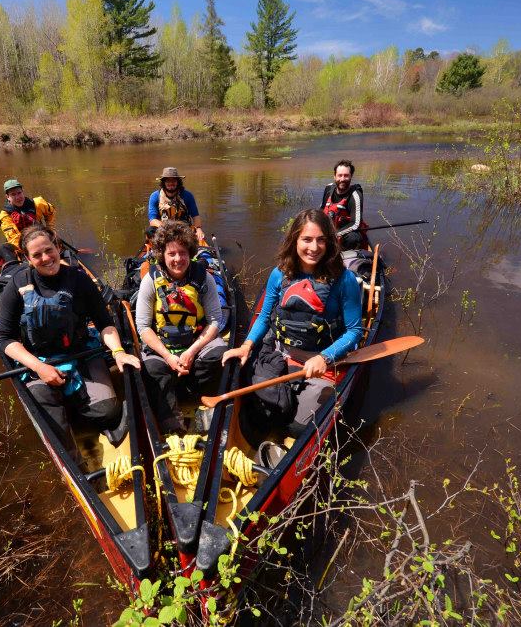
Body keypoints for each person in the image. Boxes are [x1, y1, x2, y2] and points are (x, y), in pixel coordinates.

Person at [222, 209, 363, 454]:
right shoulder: (279, 274)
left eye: (321, 240)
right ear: (295, 240)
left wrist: (325, 357)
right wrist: (246, 345)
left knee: (299, 427)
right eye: (307, 240)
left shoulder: (344, 280)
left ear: (330, 242)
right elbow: (265, 317)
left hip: (321, 363)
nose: (314, 247)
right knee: (263, 411)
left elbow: (354, 331)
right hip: (280, 354)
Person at [0, 224, 139, 457]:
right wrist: (40, 367)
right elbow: (4, 338)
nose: (45, 258)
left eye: (49, 250)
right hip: (39, 361)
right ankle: (74, 460)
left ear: (58, 248)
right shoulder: (17, 284)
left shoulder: (79, 280)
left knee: (107, 413)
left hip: (81, 352)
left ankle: (73, 402)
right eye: (37, 255)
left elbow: (104, 323)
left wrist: (118, 351)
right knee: (48, 413)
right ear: (28, 259)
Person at [135, 221, 227, 433]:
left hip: (196, 342)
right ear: (162, 255)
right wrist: (168, 356)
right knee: (151, 368)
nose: (178, 259)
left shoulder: (205, 278)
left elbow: (215, 320)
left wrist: (192, 352)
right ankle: (172, 422)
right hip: (164, 345)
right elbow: (142, 326)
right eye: (172, 254)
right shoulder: (150, 281)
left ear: (191, 253)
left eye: (183, 253)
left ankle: (194, 395)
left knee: (219, 354)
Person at [0, 178, 57, 260]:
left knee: (56, 241)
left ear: (23, 192)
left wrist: (50, 229)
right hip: (22, 244)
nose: (18, 197)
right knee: (3, 248)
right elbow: (14, 239)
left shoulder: (38, 203)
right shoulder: (5, 216)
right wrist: (29, 251)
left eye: (19, 193)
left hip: (40, 235)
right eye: (13, 194)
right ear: (7, 197)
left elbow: (51, 212)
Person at [148, 167, 205, 242]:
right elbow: (152, 220)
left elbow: (195, 215)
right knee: (150, 231)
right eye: (168, 180)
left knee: (194, 236)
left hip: (183, 228)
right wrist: (168, 228)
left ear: (178, 182)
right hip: (164, 228)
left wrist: (198, 229)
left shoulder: (187, 195)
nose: (171, 183)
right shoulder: (155, 196)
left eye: (174, 180)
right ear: (163, 182)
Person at [320, 160, 368, 249]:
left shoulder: (355, 195)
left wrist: (335, 234)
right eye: (339, 175)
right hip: (330, 229)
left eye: (346, 176)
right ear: (334, 176)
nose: (342, 179)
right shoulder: (328, 189)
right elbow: (321, 210)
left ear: (351, 176)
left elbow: (356, 223)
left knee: (353, 238)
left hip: (346, 232)